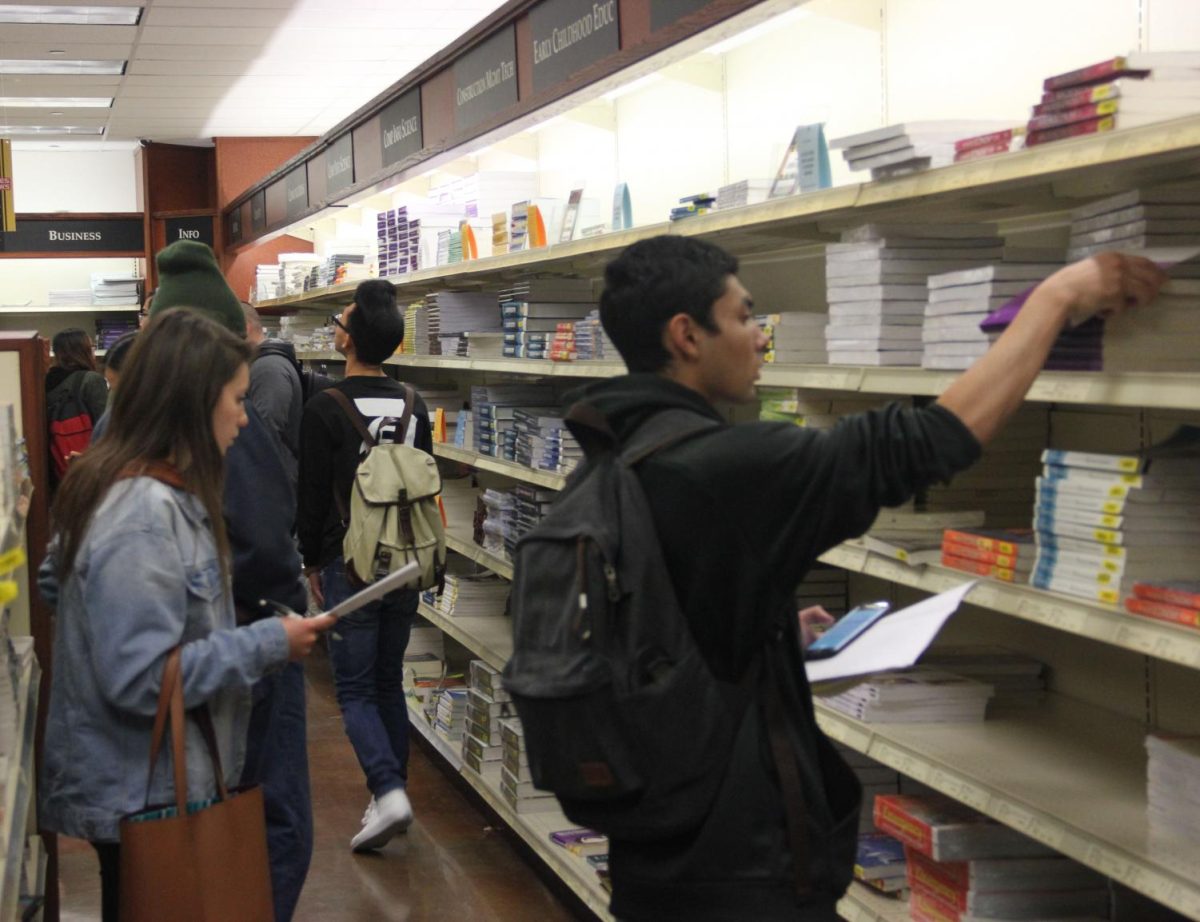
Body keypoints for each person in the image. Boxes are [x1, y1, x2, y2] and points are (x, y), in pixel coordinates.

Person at [567, 235, 1165, 921]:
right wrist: (1058, 298)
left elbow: (646, 619)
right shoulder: (732, 465)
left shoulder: (609, 460)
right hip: (745, 871)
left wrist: (759, 628)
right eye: (744, 317)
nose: (761, 338)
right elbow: (933, 439)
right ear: (686, 336)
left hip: (652, 862)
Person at [37, 308, 334, 922]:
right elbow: (143, 678)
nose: (244, 417)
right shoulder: (144, 509)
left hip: (137, 785)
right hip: (141, 793)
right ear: (194, 404)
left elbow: (58, 582)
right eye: (236, 399)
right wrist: (268, 642)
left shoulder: (136, 484)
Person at [144, 240, 316, 922]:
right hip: (248, 650)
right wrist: (283, 623)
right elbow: (266, 542)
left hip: (204, 669)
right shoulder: (223, 431)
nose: (245, 409)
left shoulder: (120, 427)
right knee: (271, 823)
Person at [297, 278, 432, 852]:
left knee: (352, 688)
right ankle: (389, 793)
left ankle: (386, 789)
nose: (334, 327)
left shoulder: (324, 406)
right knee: (386, 681)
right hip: (405, 559)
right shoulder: (414, 404)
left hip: (346, 562)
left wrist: (308, 561)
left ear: (348, 341)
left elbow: (308, 494)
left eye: (339, 320)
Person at [243, 300, 303, 486]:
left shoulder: (268, 368)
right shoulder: (261, 365)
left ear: (244, 328)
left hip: (272, 485)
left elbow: (264, 432)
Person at [45, 328, 109, 481]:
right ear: (83, 351)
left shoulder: (45, 381)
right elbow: (106, 427)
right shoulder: (91, 380)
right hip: (89, 466)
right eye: (91, 347)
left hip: (58, 464)